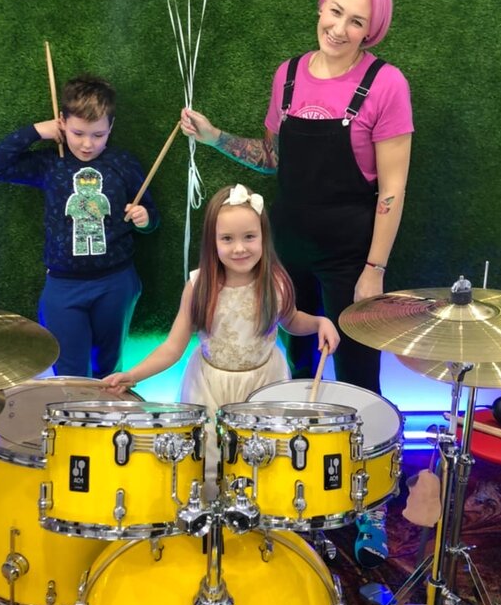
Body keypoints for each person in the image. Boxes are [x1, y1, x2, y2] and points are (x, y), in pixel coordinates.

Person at [180, 0, 413, 564]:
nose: (339, 28)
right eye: (335, 11)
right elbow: (272, 157)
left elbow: (392, 189)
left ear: (371, 30)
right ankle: (302, 492)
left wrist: (374, 269)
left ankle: (369, 508)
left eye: (356, 21)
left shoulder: (386, 85)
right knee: (297, 378)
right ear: (321, 6)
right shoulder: (287, 76)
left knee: (358, 380)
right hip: (286, 254)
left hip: (351, 257)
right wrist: (213, 137)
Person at [103, 183, 340, 486]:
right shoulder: (199, 286)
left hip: (264, 385)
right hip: (209, 387)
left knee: (263, 465)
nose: (239, 248)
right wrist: (132, 375)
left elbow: (290, 320)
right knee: (210, 466)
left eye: (249, 237)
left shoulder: (276, 282)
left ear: (264, 237)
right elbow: (173, 347)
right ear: (212, 241)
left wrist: (319, 322)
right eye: (227, 239)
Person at [0, 74, 159, 378]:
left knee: (109, 370)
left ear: (111, 127)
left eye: (98, 135)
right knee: (68, 372)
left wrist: (145, 219)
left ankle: (108, 408)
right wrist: (37, 131)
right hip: (63, 285)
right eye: (78, 133)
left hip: (115, 281)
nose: (87, 144)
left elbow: (152, 216)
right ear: (62, 123)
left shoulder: (123, 163)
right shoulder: (52, 163)